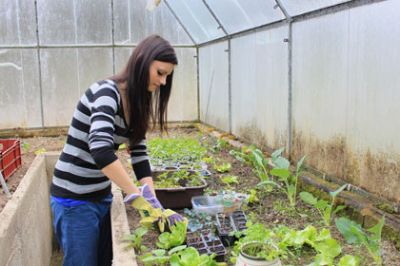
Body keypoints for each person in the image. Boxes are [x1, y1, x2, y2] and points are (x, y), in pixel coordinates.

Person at [50, 35, 184, 266]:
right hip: (74, 200)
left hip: (101, 196)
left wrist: (153, 201)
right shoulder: (106, 93)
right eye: (160, 73)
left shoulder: (138, 102)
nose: (163, 82)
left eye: (167, 76)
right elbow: (100, 149)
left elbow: (140, 155)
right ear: (142, 62)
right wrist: (135, 195)